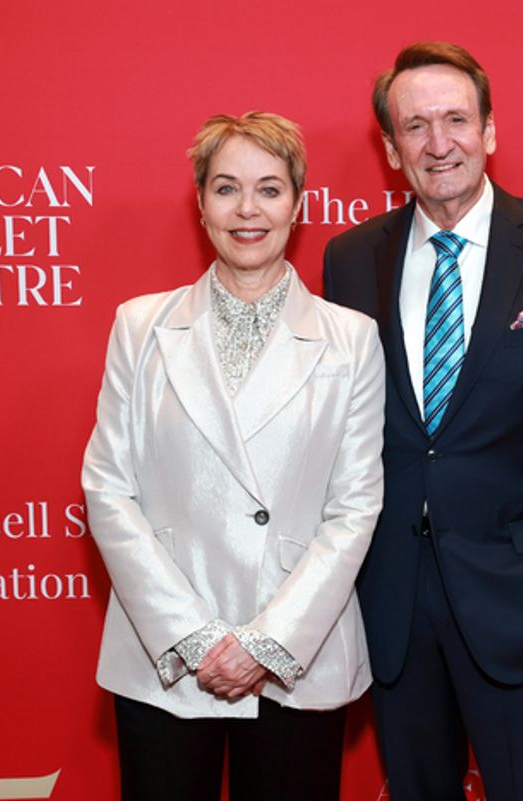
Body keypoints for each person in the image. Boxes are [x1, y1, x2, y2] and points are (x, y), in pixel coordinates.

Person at [323, 41, 523, 801]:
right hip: (394, 594)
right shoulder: (350, 259)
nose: (439, 142)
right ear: (392, 149)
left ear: (490, 130)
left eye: (456, 119)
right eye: (416, 126)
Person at [81, 111, 385, 801]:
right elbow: (107, 488)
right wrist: (195, 636)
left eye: (270, 189)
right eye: (226, 188)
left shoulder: (351, 338)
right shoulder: (140, 325)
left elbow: (356, 504)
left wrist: (266, 644)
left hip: (295, 652)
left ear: (299, 204)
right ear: (200, 202)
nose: (248, 209)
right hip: (165, 650)